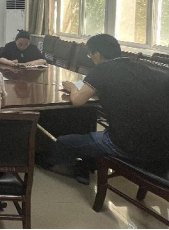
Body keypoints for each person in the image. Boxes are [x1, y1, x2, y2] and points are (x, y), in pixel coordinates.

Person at [45, 34, 169, 181]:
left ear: (97, 55)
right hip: (162, 148)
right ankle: (86, 165)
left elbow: (78, 101)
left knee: (64, 142)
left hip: (128, 146)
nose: (91, 58)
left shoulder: (102, 70)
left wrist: (72, 87)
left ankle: (66, 166)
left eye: (90, 55)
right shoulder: (140, 67)